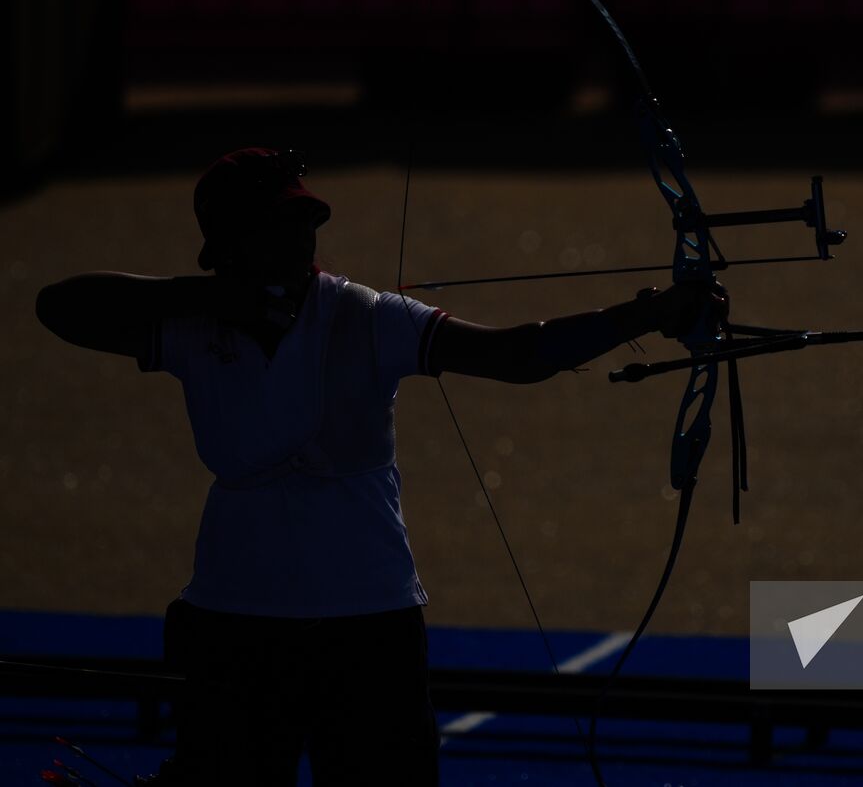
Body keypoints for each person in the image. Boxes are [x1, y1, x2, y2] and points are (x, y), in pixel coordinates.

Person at [34, 147, 718, 786]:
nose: (303, 238)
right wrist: (207, 296)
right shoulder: (193, 324)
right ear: (228, 245)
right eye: (279, 224)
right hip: (235, 623)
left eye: (306, 221)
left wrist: (652, 311)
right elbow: (59, 306)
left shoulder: (363, 316)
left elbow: (517, 355)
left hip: (367, 630)